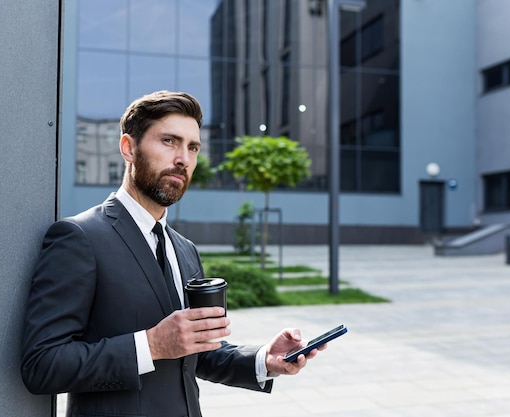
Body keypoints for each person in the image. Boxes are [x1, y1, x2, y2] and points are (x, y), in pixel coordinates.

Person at [21, 90, 325, 417]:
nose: (183, 158)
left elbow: (196, 352)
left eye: (193, 147)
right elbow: (43, 364)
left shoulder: (185, 249)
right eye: (169, 141)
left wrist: (264, 359)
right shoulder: (79, 237)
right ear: (128, 148)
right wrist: (151, 345)